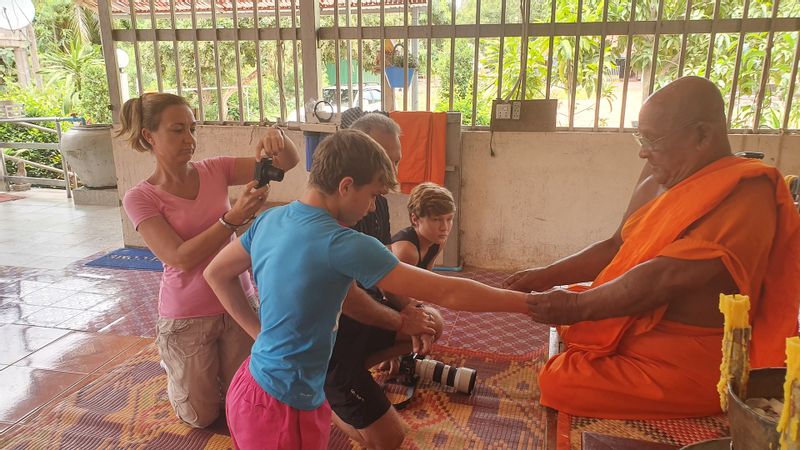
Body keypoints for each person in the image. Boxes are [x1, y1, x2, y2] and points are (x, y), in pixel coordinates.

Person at [203, 129, 528, 449]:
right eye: (373, 195)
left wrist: (258, 333)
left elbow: (216, 273)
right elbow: (447, 292)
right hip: (283, 407)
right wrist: (529, 304)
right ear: (346, 186)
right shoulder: (343, 242)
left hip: (254, 387)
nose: (373, 207)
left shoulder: (270, 219)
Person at [504, 76, 800, 420]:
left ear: (702, 135)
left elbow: (664, 278)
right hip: (644, 322)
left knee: (559, 381)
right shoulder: (657, 172)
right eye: (640, 136)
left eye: (653, 139)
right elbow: (617, 246)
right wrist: (543, 276)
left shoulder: (748, 193)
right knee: (574, 304)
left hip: (691, 353)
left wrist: (577, 306)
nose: (643, 150)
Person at [119, 92, 300, 428]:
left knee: (243, 399)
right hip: (187, 315)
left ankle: (204, 370)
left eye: (192, 128)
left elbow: (284, 164)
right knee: (202, 417)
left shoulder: (215, 169)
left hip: (237, 303)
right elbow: (179, 257)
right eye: (177, 130)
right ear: (149, 136)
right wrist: (232, 218)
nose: (189, 139)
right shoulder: (140, 197)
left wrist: (278, 138)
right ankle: (175, 369)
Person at [324, 114, 444, 450]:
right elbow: (350, 299)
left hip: (362, 313)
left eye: (395, 161)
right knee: (389, 440)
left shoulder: (372, 200)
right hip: (333, 336)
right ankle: (326, 395)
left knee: (431, 321)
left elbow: (383, 272)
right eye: (384, 159)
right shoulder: (331, 219)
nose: (391, 173)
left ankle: (355, 374)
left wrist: (410, 313)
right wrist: (401, 319)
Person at [392, 182, 456, 271]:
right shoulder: (406, 250)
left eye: (449, 219)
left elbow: (428, 276)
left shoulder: (438, 240)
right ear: (415, 219)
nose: (444, 227)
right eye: (436, 219)